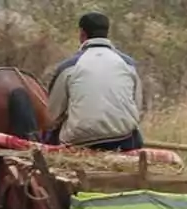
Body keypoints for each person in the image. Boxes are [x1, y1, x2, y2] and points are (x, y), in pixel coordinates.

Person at [45, 12, 144, 151]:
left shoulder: (69, 67)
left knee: (49, 135)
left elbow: (52, 114)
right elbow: (137, 106)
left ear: (82, 34)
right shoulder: (128, 64)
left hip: (81, 142)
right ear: (106, 33)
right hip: (123, 139)